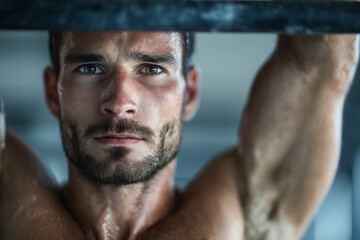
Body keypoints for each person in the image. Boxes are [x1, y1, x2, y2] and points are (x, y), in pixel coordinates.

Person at [0, 31, 358, 240]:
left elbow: (318, 59)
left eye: (152, 68)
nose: (120, 102)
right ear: (53, 92)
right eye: (90, 68)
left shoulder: (243, 211)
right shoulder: (7, 197)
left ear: (190, 94)